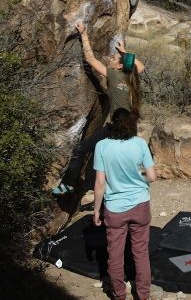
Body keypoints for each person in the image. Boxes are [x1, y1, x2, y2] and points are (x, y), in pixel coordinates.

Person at [51, 22, 145, 196]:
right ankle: (96, 189)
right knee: (103, 158)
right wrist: (124, 53)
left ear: (118, 66)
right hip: (130, 129)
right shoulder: (132, 80)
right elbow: (141, 67)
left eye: (113, 58)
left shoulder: (115, 76)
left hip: (116, 128)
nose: (110, 59)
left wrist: (84, 35)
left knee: (81, 149)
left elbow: (90, 59)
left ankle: (69, 184)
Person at [93, 108, 157, 300]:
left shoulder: (102, 146)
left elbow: (100, 183)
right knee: (140, 252)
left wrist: (96, 211)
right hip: (140, 205)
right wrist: (139, 178)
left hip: (115, 208)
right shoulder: (139, 144)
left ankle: (120, 297)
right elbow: (152, 177)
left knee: (115, 255)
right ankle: (143, 297)